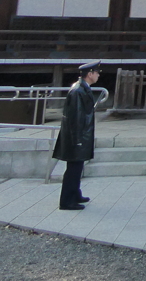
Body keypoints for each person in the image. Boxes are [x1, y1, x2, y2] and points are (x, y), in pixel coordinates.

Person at [53, 61, 101, 211]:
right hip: (76, 136)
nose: (98, 75)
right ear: (90, 74)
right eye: (97, 72)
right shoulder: (77, 91)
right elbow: (76, 118)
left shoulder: (82, 88)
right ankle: (67, 200)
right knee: (73, 168)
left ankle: (75, 193)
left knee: (77, 167)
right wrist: (78, 140)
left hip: (79, 135)